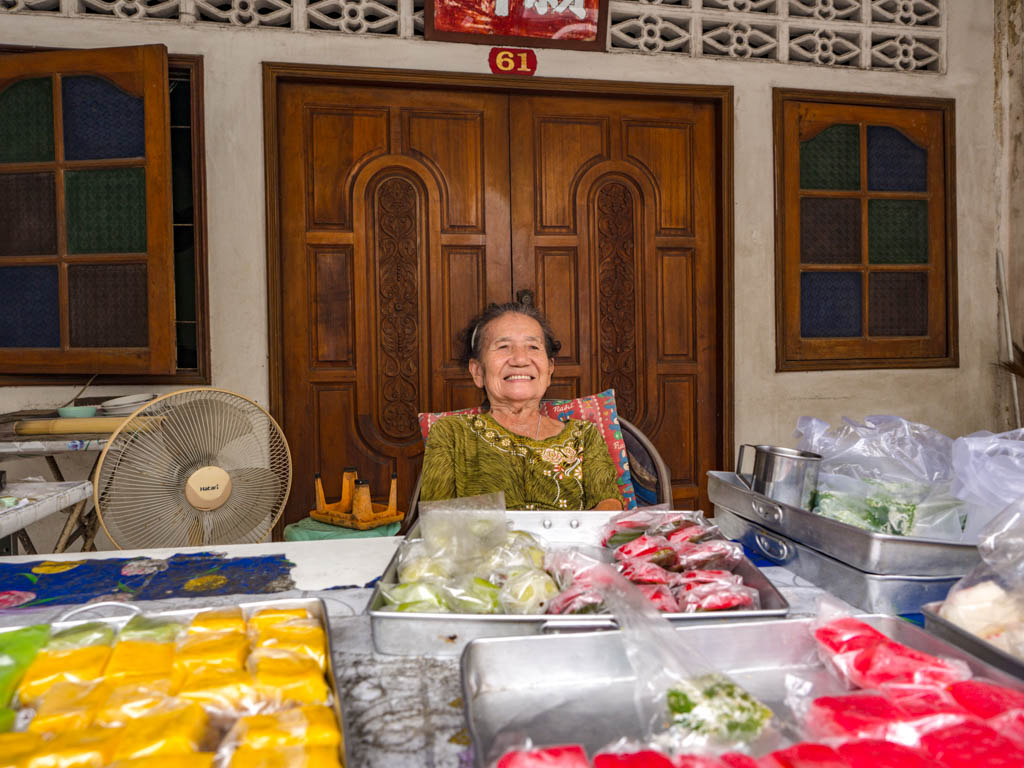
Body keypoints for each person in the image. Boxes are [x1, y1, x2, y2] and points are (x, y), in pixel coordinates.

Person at [419, 302, 624, 511]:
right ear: (478, 371)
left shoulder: (584, 436)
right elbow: (436, 521)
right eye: (503, 347)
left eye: (533, 347)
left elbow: (609, 505)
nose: (519, 359)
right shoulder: (451, 433)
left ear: (549, 370)